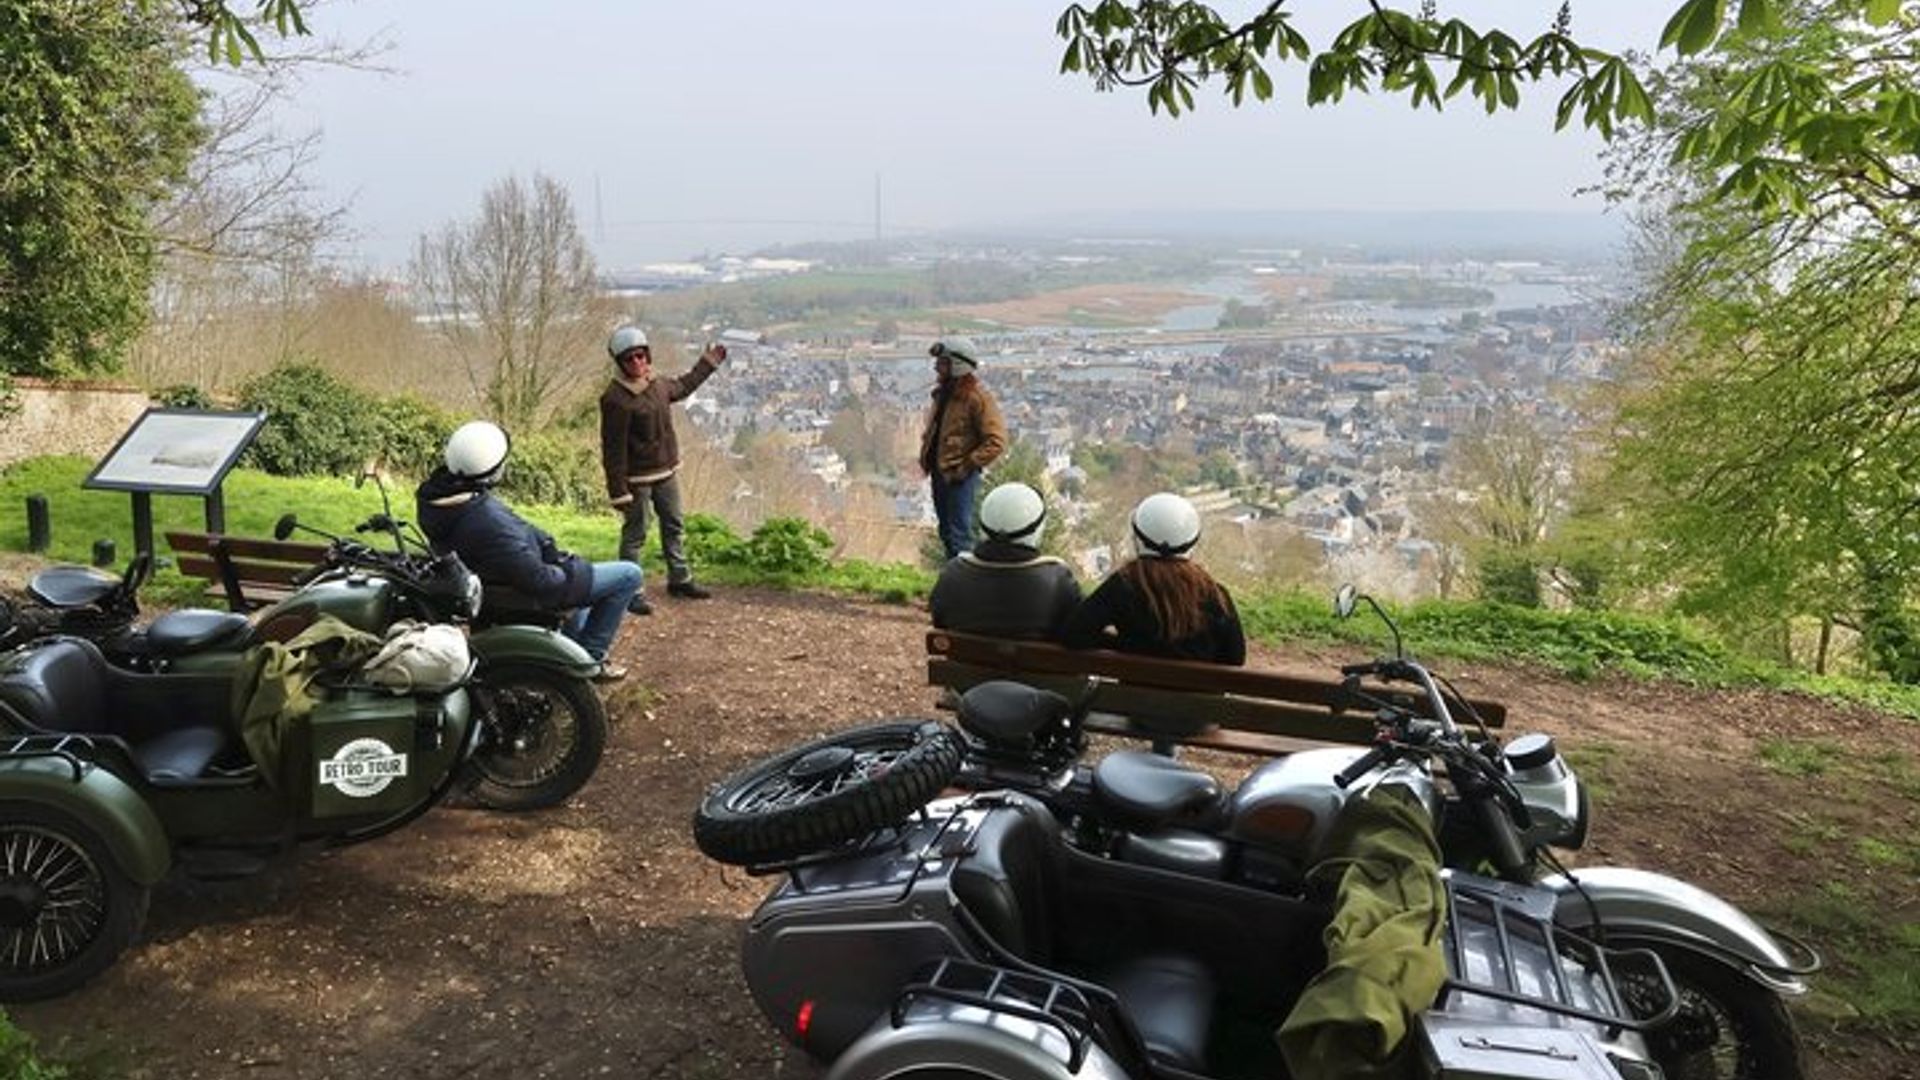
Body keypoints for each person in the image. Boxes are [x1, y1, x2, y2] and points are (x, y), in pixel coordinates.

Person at [418, 420, 642, 682]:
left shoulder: (443, 500)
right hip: (526, 592)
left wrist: (548, 548)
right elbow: (537, 579)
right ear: (491, 471)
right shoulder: (486, 521)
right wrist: (569, 570)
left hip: (499, 584)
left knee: (585, 595)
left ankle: (569, 654)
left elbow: (513, 542)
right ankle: (591, 660)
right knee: (629, 575)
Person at [600, 325, 727, 614]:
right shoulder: (615, 399)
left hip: (666, 471)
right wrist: (618, 491)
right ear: (620, 363)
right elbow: (612, 448)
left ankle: (680, 580)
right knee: (635, 535)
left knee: (674, 525)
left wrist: (707, 365)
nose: (637, 363)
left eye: (641, 356)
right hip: (637, 479)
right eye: (629, 359)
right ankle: (630, 591)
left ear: (648, 355)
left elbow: (683, 386)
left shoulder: (656, 384)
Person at [1061, 492, 1246, 665]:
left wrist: (1125, 645)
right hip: (1200, 700)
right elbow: (1235, 658)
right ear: (1192, 540)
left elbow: (1074, 634)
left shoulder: (1123, 586)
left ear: (1138, 538)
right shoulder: (1214, 594)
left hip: (1134, 699)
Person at [929, 482, 1081, 640]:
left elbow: (939, 620)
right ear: (1038, 529)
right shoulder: (1057, 579)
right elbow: (1075, 632)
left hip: (964, 663)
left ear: (983, 524)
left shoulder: (953, 573)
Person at [917, 336, 1006, 559]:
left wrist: (966, 466)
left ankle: (966, 586)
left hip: (960, 477)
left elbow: (996, 441)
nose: (937, 367)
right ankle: (953, 580)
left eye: (943, 362)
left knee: (959, 536)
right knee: (946, 532)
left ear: (957, 365)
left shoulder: (978, 399)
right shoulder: (943, 395)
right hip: (940, 472)